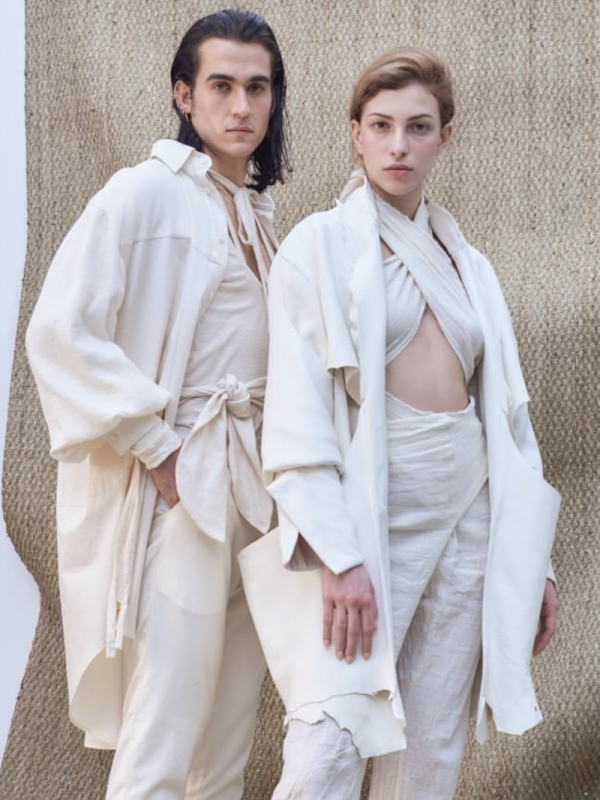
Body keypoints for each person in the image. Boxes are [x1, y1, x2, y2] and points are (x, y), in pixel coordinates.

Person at [238, 46, 560, 799]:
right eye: (380, 125)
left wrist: (532, 562)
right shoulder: (317, 247)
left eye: (418, 127)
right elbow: (296, 412)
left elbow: (507, 417)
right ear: (354, 133)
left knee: (432, 749)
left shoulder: (468, 263)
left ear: (444, 137)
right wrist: (338, 555)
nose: (397, 145)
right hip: (369, 514)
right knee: (329, 743)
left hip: (469, 513)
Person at [26, 9, 290, 799]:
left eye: (257, 87)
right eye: (221, 86)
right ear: (184, 94)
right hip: (187, 487)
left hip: (259, 489)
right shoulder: (142, 194)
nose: (241, 106)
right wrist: (158, 445)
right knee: (166, 729)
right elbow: (60, 331)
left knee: (229, 734)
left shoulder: (258, 216)